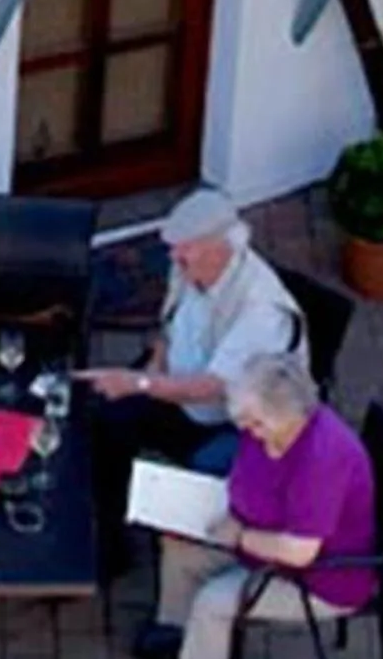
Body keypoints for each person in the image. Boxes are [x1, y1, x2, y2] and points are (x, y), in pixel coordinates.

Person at [140, 350, 377, 659]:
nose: (248, 429)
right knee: (178, 550)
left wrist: (240, 535)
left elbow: (300, 551)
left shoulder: (321, 459)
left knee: (214, 602)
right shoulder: (271, 429)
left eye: (256, 422)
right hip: (259, 538)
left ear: (288, 415)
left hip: (317, 578)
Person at [75, 186, 303, 582]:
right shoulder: (191, 268)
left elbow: (212, 387)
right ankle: (104, 531)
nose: (174, 258)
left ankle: (136, 566)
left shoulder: (260, 310)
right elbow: (168, 327)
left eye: (186, 249)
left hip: (230, 421)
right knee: (99, 416)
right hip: (178, 389)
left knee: (118, 425)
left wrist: (141, 384)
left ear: (221, 247)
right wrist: (154, 366)